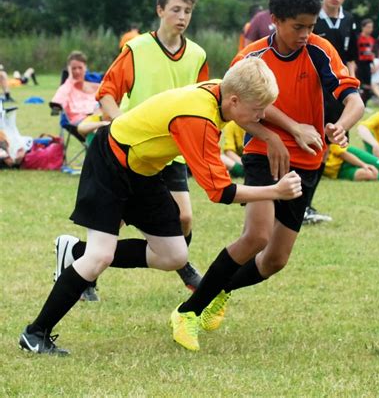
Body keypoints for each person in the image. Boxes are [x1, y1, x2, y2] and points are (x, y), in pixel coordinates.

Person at [18, 58, 303, 356]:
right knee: (100, 256)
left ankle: (74, 252)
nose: (260, 117)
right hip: (111, 161)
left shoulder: (220, 94)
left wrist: (269, 135)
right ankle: (35, 333)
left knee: (174, 255)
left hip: (142, 170)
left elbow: (237, 126)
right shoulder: (199, 118)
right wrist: (276, 191)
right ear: (234, 100)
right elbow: (220, 192)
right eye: (258, 110)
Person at [169, 0, 364, 352]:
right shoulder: (251, 58)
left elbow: (354, 99)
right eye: (298, 27)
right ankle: (188, 312)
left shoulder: (321, 50)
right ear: (275, 20)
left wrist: (342, 125)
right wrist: (277, 134)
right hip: (263, 152)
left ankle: (218, 290)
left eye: (311, 26)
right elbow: (238, 110)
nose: (306, 34)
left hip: (308, 162)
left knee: (274, 259)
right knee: (256, 236)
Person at [55, 0, 210, 298]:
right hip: (133, 152)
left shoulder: (197, 55)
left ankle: (77, 254)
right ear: (160, 10)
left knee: (184, 217)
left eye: (188, 11)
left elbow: (203, 100)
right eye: (176, 10)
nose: (182, 17)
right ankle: (84, 264)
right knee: (115, 225)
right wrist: (123, 126)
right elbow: (107, 94)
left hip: (172, 151)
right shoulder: (137, 48)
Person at [303, 0, 359, 224]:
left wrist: (355, 91)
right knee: (308, 145)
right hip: (311, 91)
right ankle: (293, 204)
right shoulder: (311, 20)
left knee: (325, 148)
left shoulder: (350, 21)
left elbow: (351, 60)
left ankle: (306, 205)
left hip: (338, 93)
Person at [50, 51, 99, 125]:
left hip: (99, 119)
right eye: (73, 68)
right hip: (81, 122)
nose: (77, 71)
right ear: (69, 70)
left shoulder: (95, 86)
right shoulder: (66, 89)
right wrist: (70, 79)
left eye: (80, 68)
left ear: (85, 68)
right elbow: (56, 103)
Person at [357, 18, 376, 105]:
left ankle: (364, 103)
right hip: (359, 63)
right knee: (360, 84)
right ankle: (358, 103)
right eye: (368, 27)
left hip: (368, 64)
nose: (370, 29)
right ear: (363, 27)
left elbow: (372, 53)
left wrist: (373, 65)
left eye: (371, 27)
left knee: (368, 85)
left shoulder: (372, 40)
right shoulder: (358, 38)